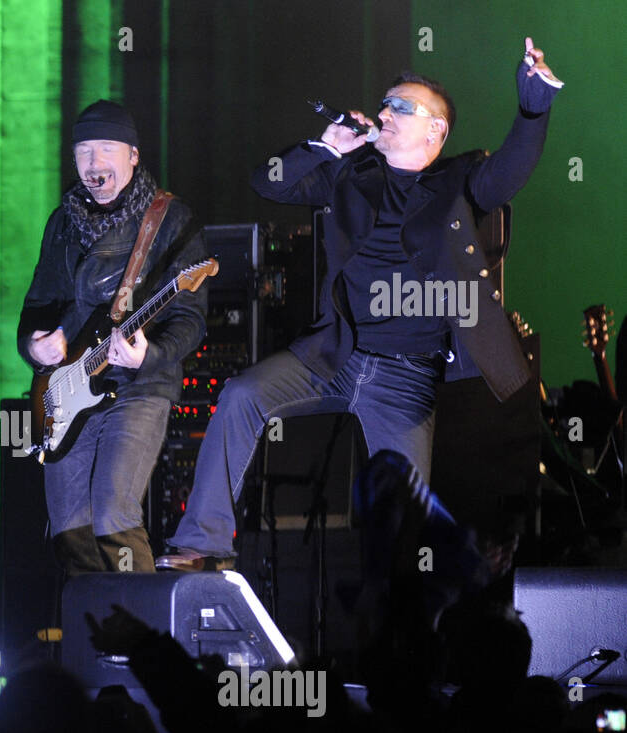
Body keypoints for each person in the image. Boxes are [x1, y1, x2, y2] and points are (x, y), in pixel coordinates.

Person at [158, 38, 563, 571]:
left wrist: (533, 106)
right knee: (240, 396)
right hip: (334, 354)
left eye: (401, 107)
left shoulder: (460, 180)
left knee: (402, 524)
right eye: (385, 104)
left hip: (406, 376)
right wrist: (324, 147)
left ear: (435, 130)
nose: (385, 114)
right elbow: (268, 182)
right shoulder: (352, 172)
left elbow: (512, 168)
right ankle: (205, 543)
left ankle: (401, 624)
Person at [18, 100, 207, 575]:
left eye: (106, 149)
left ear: (134, 157)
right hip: (69, 388)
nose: (94, 164)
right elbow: (38, 304)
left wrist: (151, 352)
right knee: (68, 526)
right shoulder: (63, 223)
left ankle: (143, 641)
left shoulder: (168, 220)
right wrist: (34, 344)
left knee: (112, 515)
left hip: (139, 386)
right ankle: (95, 640)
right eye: (84, 151)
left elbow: (191, 319)